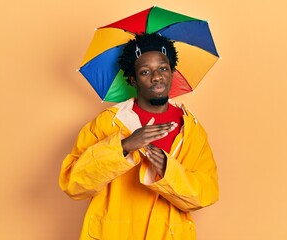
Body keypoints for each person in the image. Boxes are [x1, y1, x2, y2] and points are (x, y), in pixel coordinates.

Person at [59, 33, 219, 240]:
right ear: (133, 79)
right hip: (115, 233)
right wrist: (123, 146)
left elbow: (205, 193)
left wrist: (166, 169)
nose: (156, 76)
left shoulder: (191, 129)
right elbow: (74, 184)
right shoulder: (108, 123)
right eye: (145, 71)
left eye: (163, 68)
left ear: (172, 73)